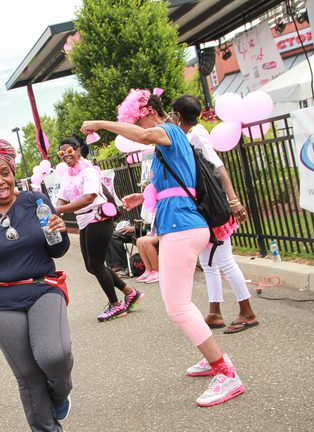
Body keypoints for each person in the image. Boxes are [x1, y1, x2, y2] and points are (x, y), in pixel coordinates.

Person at [81, 87, 244, 406]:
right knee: (182, 305)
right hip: (182, 226)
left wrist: (101, 123)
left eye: (139, 121)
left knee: (178, 307)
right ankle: (214, 360)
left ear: (149, 113)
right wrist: (143, 197)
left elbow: (145, 137)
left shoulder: (168, 129)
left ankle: (226, 373)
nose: (141, 129)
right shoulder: (171, 140)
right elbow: (177, 184)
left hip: (182, 228)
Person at [0, 139, 72, 432]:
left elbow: (57, 251)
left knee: (53, 356)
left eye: (4, 172)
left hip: (43, 287)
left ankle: (58, 395)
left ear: (13, 171)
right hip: (0, 299)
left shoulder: (35, 201)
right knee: (29, 376)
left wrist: (60, 231)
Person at [171, 94, 258, 333]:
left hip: (214, 205)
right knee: (207, 263)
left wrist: (234, 200)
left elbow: (218, 165)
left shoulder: (197, 134)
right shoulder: (185, 136)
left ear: (178, 115)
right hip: (202, 207)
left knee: (224, 261)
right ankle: (214, 312)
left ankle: (247, 312)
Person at [54, 137, 144, 322]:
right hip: (84, 219)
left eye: (69, 151)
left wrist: (61, 210)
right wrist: (57, 209)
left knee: (96, 264)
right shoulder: (68, 175)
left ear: (78, 150)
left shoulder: (89, 171)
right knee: (91, 266)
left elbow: (89, 198)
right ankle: (129, 292)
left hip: (98, 217)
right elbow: (62, 199)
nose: (66, 156)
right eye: (62, 153)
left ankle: (116, 305)